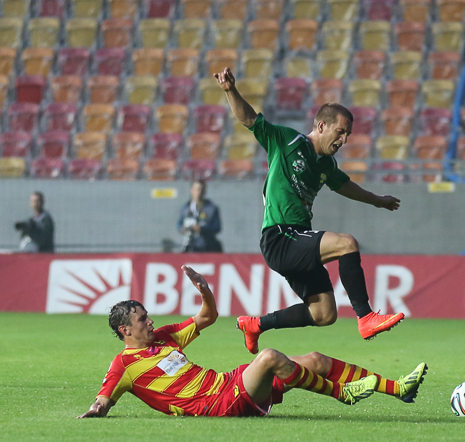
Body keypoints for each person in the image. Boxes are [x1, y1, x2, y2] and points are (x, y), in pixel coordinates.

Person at [213, 67, 404, 353]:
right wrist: (230, 90)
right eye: (341, 132)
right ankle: (365, 317)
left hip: (297, 238)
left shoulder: (326, 164)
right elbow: (249, 119)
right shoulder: (287, 141)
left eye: (348, 135)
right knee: (346, 244)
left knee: (324, 314)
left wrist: (377, 200)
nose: (344, 140)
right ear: (322, 126)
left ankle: (256, 325)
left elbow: (344, 186)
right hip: (280, 236)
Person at [78, 265, 427, 419]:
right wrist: (96, 410)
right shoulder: (124, 366)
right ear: (125, 331)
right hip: (215, 405)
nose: (150, 322)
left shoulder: (165, 338)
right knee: (270, 356)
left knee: (316, 360)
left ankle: (398, 388)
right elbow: (103, 400)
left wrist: (204, 290)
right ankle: (343, 394)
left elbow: (207, 317)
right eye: (142, 320)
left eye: (147, 316)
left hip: (228, 384)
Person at [177, 180, 223, 252]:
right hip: (189, 246)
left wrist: (202, 229)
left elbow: (217, 227)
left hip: (207, 246)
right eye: (197, 189)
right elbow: (179, 224)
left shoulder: (211, 208)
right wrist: (184, 229)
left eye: (201, 190)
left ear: (204, 192)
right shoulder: (186, 208)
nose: (199, 192)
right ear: (192, 191)